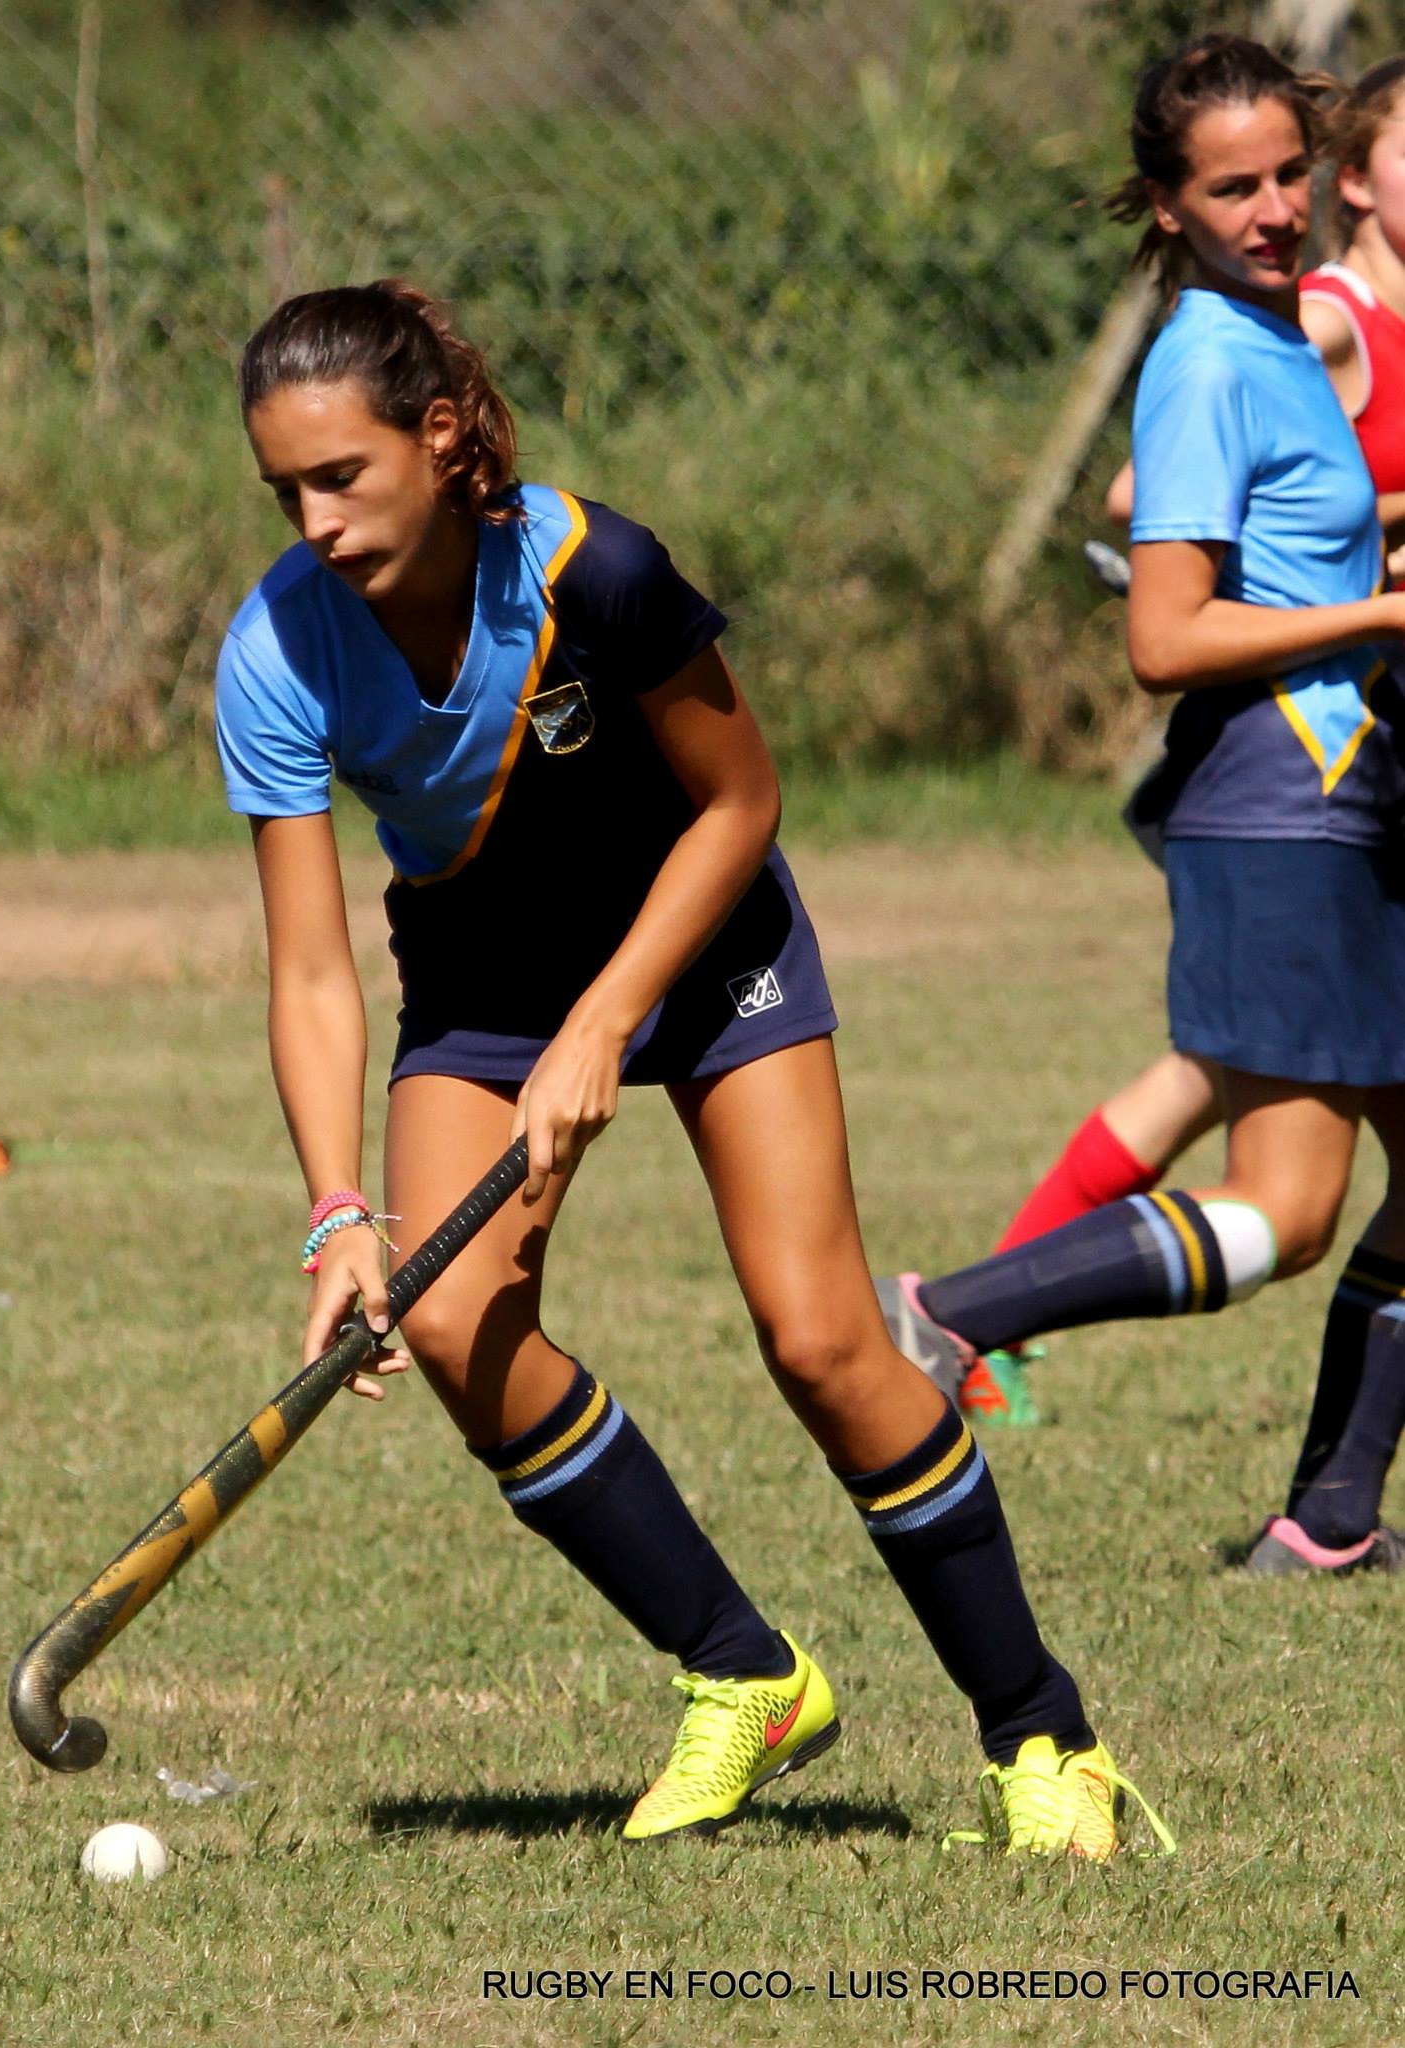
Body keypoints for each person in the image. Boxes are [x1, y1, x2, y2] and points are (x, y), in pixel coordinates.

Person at [214, 280, 1167, 1855]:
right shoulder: (274, 648)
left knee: (822, 1343)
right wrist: (335, 1213)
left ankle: (1041, 1734)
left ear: (437, 437)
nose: (313, 523)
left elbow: (740, 804)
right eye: (284, 493)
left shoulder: (598, 571)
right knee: (449, 1324)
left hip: (707, 937)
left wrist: (606, 1020)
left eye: (341, 477)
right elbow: (310, 969)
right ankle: (745, 1673)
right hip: (486, 979)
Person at [880, 35, 1405, 1578]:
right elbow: (1163, 639)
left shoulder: (1273, 333)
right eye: (1231, 189)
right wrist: (1381, 616)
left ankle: (1324, 1526)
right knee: (1286, 1213)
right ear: (1166, 206)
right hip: (1277, 811)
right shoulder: (1207, 357)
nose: (1273, 209)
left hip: (1344, 796)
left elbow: (1283, 569)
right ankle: (947, 1317)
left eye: (1288, 174)